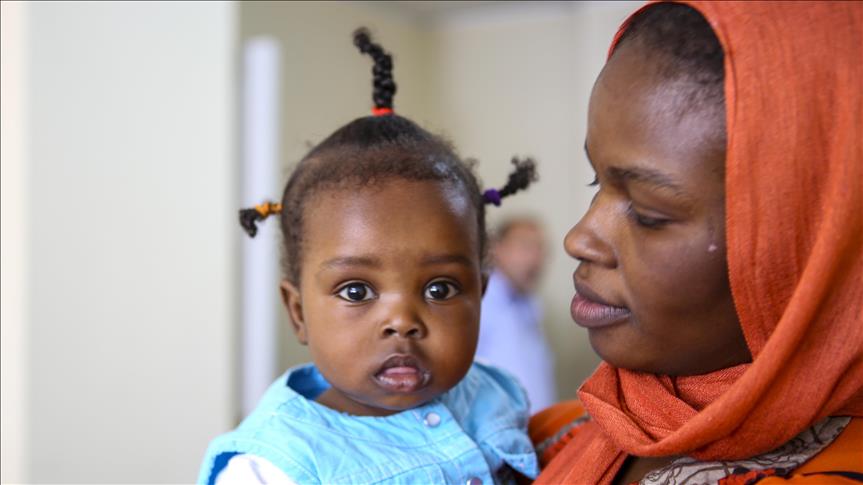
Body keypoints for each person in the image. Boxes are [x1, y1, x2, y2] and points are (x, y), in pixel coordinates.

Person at [530, 2, 862, 484]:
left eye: (648, 213)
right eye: (596, 181)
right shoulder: (540, 438)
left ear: (808, 249)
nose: (579, 238)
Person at [198, 29, 541, 485]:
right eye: (357, 291)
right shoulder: (277, 467)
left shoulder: (496, 397)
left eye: (440, 288)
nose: (402, 321)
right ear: (298, 312)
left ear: (480, 294)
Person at [476, 217, 556, 412]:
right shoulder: (480, 303)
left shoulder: (530, 306)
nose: (535, 258)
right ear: (497, 249)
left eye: (540, 249)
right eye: (525, 247)